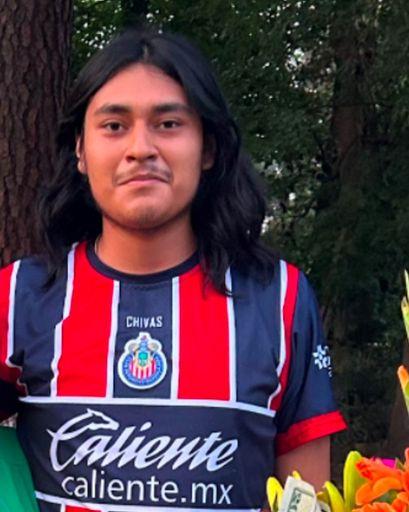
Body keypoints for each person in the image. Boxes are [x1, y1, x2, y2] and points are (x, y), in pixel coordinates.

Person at [0, 28, 346, 512]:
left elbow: (308, 498)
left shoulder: (280, 298)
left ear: (208, 148)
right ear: (80, 150)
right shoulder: (19, 295)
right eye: (114, 126)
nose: (140, 148)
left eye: (168, 123)